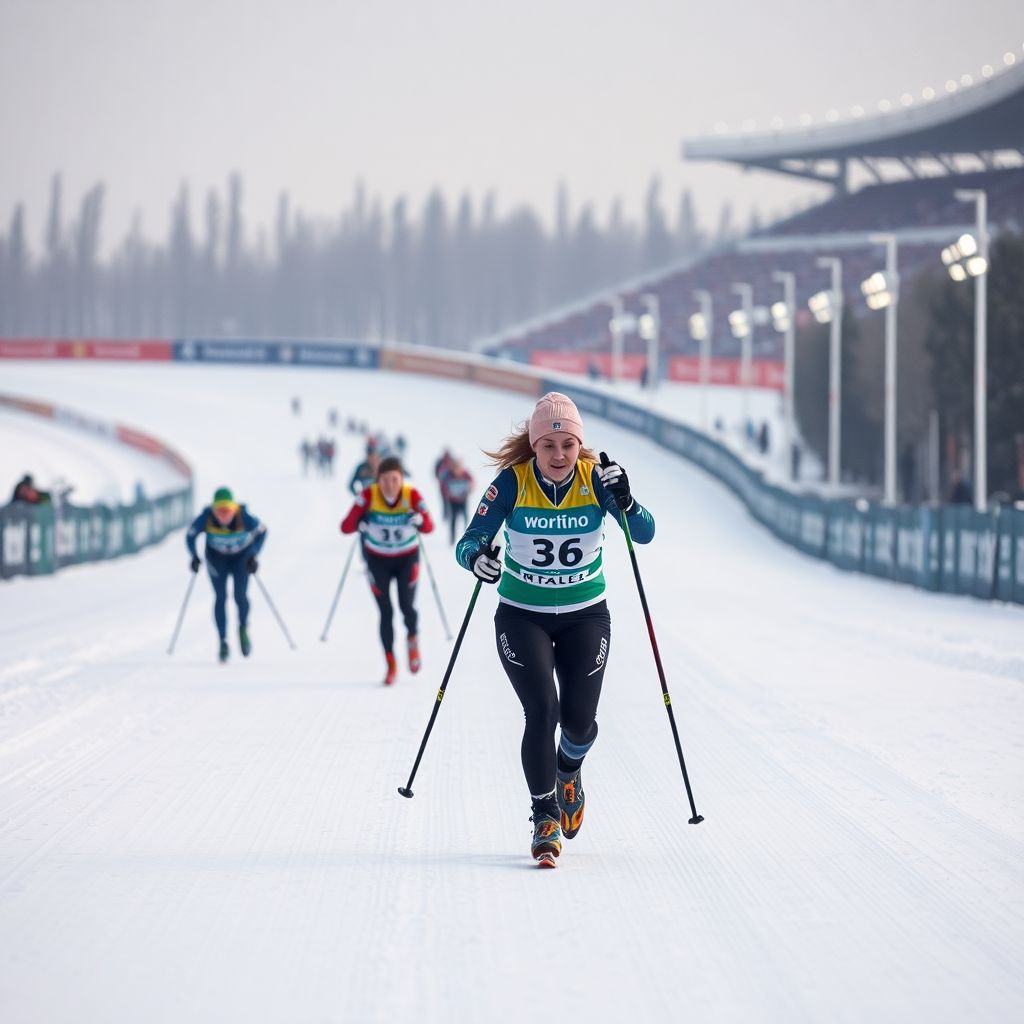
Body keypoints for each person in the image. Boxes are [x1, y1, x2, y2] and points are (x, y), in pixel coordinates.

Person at [455, 392, 655, 866]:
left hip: (586, 614)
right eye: (548, 445)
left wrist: (625, 499)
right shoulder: (512, 483)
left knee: (580, 723)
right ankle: (544, 816)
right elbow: (469, 542)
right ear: (535, 446)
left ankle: (569, 771)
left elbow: (643, 532)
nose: (559, 455)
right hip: (523, 614)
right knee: (542, 711)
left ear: (579, 445)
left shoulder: (596, 480)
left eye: (568, 444)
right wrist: (480, 560)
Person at [340, 456, 434, 686]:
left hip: (406, 559)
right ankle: (391, 663)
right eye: (385, 480)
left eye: (394, 480)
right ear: (377, 480)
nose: (390, 485)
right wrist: (360, 515)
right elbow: (345, 527)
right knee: (386, 612)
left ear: (401, 479)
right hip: (377, 560)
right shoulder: (368, 496)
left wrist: (419, 520)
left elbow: (430, 527)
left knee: (406, 606)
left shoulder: (411, 495)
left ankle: (412, 639)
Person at [186, 486, 267, 663]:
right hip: (217, 560)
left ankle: (243, 628)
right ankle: (223, 642)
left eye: (228, 510)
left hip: (241, 558)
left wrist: (254, 554)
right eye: (219, 511)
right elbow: (190, 535)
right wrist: (194, 556)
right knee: (220, 597)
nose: (224, 516)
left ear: (234, 508)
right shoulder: (205, 518)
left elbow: (262, 531)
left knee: (240, 596)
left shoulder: (243, 516)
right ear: (213, 509)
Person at [441, 456, 473, 545]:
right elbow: (443, 487)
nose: (457, 470)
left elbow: (472, 483)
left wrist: (469, 490)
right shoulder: (448, 476)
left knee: (466, 517)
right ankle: (452, 539)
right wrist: (448, 493)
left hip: (463, 500)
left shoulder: (466, 474)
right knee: (453, 520)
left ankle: (467, 536)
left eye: (459, 468)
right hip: (453, 502)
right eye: (455, 468)